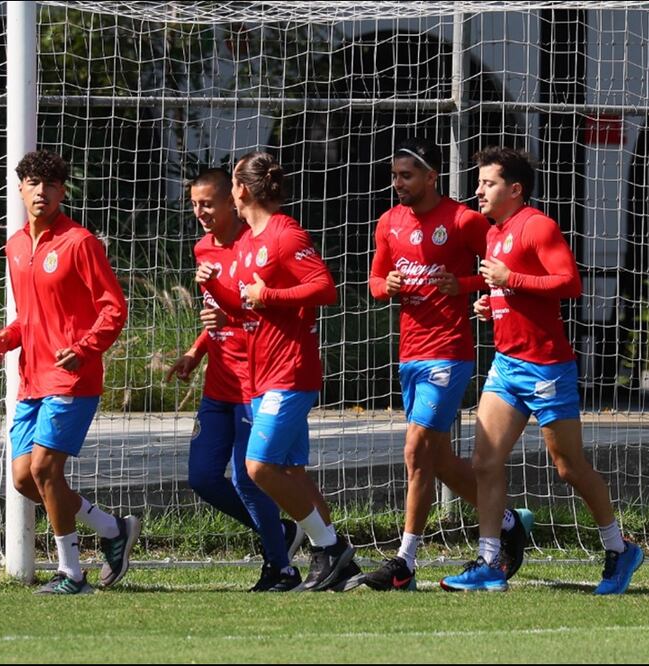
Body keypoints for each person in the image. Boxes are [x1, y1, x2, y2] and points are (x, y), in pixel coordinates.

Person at [440, 147, 641, 594]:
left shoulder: (538, 226)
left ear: (515, 189)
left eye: (488, 183)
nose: (479, 190)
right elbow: (512, 289)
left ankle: (619, 548)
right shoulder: (495, 234)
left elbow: (568, 283)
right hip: (507, 364)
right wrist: (493, 303)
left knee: (568, 467)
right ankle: (489, 562)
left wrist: (509, 281)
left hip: (547, 367)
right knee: (484, 462)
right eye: (479, 182)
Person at [365, 139, 533, 591]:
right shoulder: (389, 222)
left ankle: (404, 562)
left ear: (431, 177)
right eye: (394, 175)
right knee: (436, 459)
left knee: (415, 449)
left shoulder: (463, 220)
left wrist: (464, 284)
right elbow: (375, 280)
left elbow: (499, 268)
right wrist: (387, 286)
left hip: (449, 351)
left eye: (406, 175)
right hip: (410, 354)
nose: (398, 183)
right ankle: (508, 521)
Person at [196, 151, 361, 592]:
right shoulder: (247, 242)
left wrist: (269, 296)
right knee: (290, 473)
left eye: (232, 185)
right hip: (260, 373)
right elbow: (244, 306)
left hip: (290, 371)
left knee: (258, 467)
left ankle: (329, 547)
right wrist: (214, 288)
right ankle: (339, 566)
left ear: (241, 190)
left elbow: (324, 288)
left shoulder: (285, 234)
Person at [0, 149, 137, 594]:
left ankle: (71, 573)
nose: (41, 192)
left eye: (50, 185)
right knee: (23, 478)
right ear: (20, 190)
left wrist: (85, 348)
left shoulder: (79, 242)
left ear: (63, 192)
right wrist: (8, 337)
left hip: (72, 378)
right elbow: (32, 315)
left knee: (45, 469)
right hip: (32, 379)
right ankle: (112, 529)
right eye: (33, 184)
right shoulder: (16, 246)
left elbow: (114, 309)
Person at [166, 168, 305, 592]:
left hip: (253, 381)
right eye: (194, 204)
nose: (200, 212)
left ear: (233, 201)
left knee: (249, 477)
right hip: (218, 383)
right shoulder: (203, 248)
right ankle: (279, 532)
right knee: (203, 477)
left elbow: (257, 314)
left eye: (208, 204)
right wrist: (196, 351)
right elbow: (218, 314)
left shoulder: (256, 245)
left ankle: (281, 567)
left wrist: (229, 319)